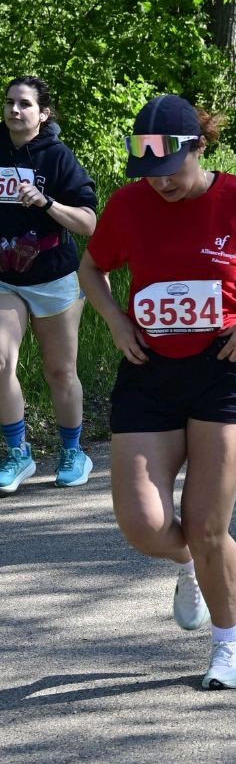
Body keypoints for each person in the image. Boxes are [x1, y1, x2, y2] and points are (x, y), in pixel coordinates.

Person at [79, 95, 236, 690]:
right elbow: (92, 267)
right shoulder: (129, 204)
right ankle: (187, 563)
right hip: (149, 370)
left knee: (206, 522)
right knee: (144, 524)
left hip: (225, 370)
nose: (157, 183)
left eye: (168, 169)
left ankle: (230, 645)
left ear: (199, 148)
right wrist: (116, 321)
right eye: (147, 171)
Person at [0, 76, 98, 494]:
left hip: (55, 277)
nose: (14, 110)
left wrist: (46, 202)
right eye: (9, 103)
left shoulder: (58, 157)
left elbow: (90, 222)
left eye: (24, 104)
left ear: (43, 114)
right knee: (1, 361)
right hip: (6, 278)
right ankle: (17, 453)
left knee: (60, 371)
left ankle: (74, 451)